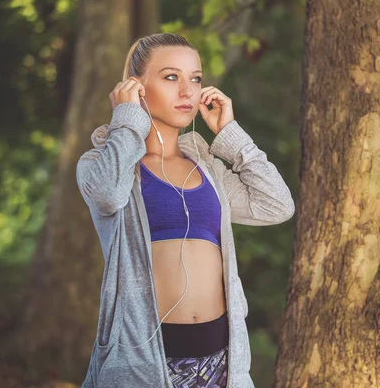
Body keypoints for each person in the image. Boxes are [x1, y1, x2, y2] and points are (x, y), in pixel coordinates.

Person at [76, 33, 295, 388]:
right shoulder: (104, 163)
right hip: (144, 366)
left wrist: (229, 132)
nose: (187, 92)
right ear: (136, 87)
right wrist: (127, 118)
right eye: (171, 77)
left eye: (195, 78)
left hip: (220, 366)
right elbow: (105, 196)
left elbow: (277, 204)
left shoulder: (207, 166)